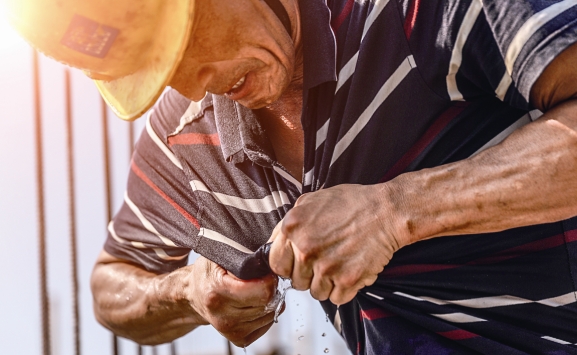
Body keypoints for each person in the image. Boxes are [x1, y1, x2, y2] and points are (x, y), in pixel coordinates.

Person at [9, 0, 577, 353]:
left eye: (183, 45)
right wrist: (186, 292)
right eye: (158, 73)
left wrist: (398, 212)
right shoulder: (185, 132)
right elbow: (113, 285)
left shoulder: (413, 13)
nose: (193, 84)